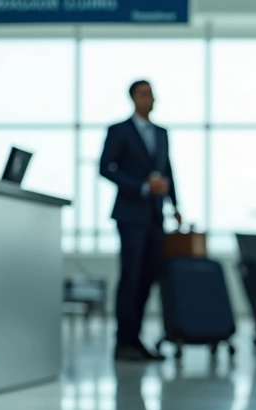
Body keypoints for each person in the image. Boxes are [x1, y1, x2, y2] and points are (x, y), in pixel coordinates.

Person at [99, 79, 181, 362]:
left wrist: (175, 203)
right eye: (145, 94)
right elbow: (106, 168)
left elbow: (168, 168)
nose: (151, 99)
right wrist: (142, 186)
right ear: (133, 98)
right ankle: (123, 341)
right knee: (130, 278)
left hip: (156, 216)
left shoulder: (161, 133)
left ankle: (136, 340)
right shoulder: (119, 131)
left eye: (152, 94)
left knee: (148, 278)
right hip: (131, 214)